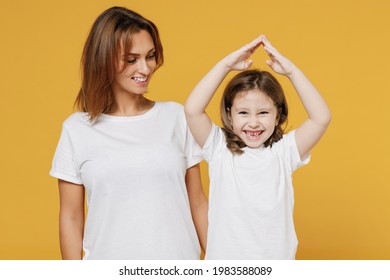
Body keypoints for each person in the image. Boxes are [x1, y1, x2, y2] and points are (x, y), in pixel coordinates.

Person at [50, 6, 207, 260]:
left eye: (151, 56)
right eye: (132, 59)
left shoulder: (177, 117)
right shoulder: (76, 130)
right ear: (103, 59)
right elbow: (71, 217)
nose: (145, 69)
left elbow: (198, 203)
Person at [184, 35, 331, 259]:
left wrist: (292, 72)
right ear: (230, 116)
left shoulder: (284, 151)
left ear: (277, 115)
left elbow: (321, 118)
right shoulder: (218, 148)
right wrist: (225, 66)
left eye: (263, 113)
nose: (253, 122)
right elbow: (193, 109)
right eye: (243, 113)